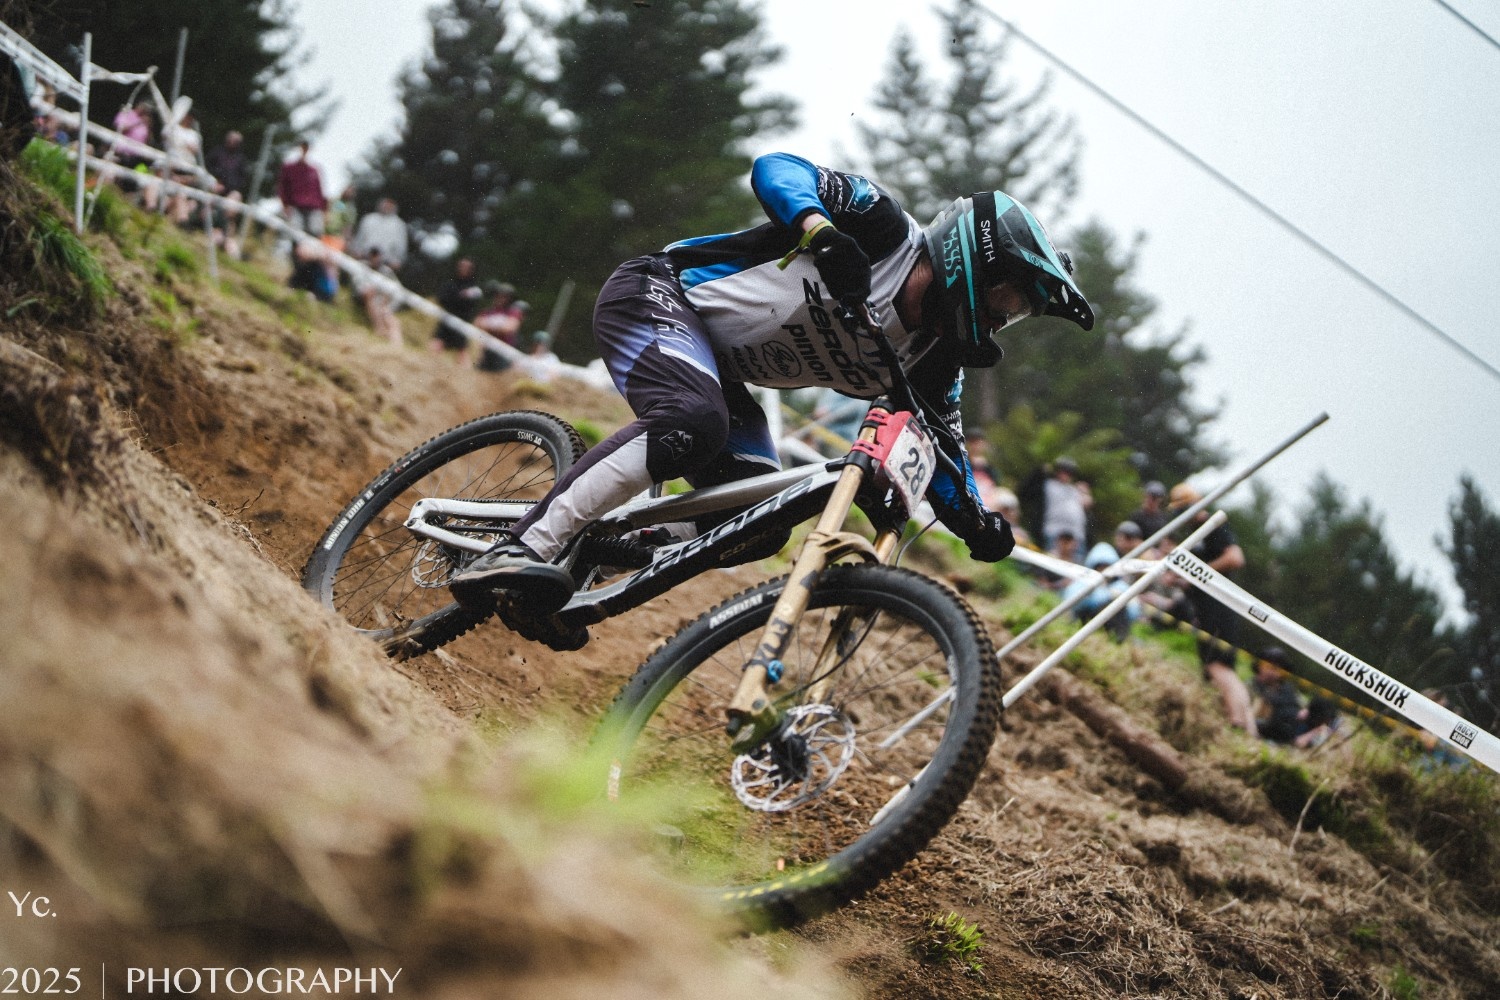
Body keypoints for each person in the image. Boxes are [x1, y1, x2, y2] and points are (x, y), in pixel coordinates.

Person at [448, 151, 1094, 613]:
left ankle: (582, 568)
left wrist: (978, 524)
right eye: (1010, 300)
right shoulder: (882, 231)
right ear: (975, 261)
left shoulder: (932, 360)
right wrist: (820, 230)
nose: (1004, 319)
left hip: (720, 373)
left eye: (1018, 314)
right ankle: (523, 545)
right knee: (691, 422)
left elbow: (946, 457)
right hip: (657, 295)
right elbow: (777, 168)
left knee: (757, 522)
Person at [1169, 482, 1257, 735]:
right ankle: (1249, 728)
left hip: (1219, 609)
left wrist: (1201, 573)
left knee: (1216, 666)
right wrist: (1184, 581)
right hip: (1209, 609)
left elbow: (1235, 558)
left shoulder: (1214, 526)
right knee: (1222, 668)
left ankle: (1238, 722)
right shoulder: (1196, 533)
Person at [429, 257, 485, 365]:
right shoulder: (450, 283)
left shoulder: (474, 288)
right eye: (461, 266)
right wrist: (460, 297)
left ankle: (465, 374)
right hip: (446, 321)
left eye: (466, 267)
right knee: (435, 345)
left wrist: (456, 298)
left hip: (462, 323)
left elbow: (471, 304)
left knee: (462, 352)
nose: (463, 269)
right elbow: (442, 298)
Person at [1041, 457, 1092, 559]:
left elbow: (1087, 503)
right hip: (1055, 531)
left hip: (1076, 533)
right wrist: (1043, 470)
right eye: (1063, 471)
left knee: (1077, 562)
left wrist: (1085, 493)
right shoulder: (1049, 485)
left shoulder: (1074, 489)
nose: (1065, 475)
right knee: (1053, 560)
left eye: (1069, 473)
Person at [276, 141, 327, 237]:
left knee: (315, 233)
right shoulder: (289, 168)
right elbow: (283, 188)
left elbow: (320, 191)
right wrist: (285, 206)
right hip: (296, 207)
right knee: (295, 234)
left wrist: (324, 211)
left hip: (314, 208)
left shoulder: (314, 170)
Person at [473, 283, 527, 372]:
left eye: (504, 296)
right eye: (498, 295)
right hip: (487, 350)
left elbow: (510, 328)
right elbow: (477, 323)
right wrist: (498, 327)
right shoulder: (488, 311)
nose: (500, 298)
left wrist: (488, 326)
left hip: (503, 353)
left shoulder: (513, 312)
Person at [349, 197, 409, 271]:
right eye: (386, 204)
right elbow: (359, 239)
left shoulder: (399, 225)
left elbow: (401, 247)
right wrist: (356, 252)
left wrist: (396, 261)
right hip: (364, 258)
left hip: (386, 264)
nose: (387, 207)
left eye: (390, 205)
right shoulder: (369, 219)